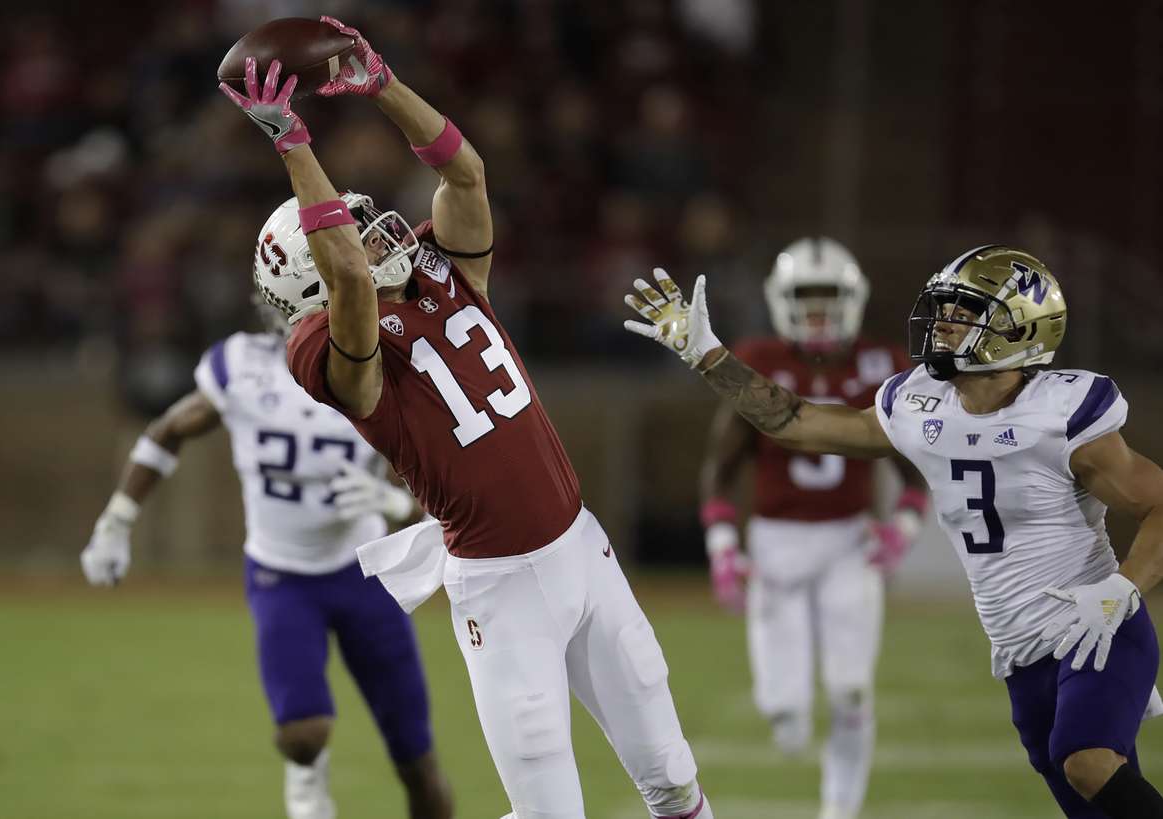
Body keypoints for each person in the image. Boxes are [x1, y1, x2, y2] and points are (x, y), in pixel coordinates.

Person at [217, 19, 713, 819]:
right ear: (314, 284)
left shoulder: (438, 268)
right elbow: (349, 281)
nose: (369, 224)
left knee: (675, 782)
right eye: (347, 224)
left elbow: (468, 174)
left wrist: (384, 86)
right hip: (502, 588)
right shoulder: (327, 349)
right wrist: (292, 141)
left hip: (581, 547)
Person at [624, 246, 1163, 819]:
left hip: (1095, 627)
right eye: (944, 309)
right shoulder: (920, 403)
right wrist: (708, 355)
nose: (943, 324)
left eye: (963, 313)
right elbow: (797, 422)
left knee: (1085, 762)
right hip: (1019, 650)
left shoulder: (1061, 413)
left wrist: (1121, 589)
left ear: (1018, 328)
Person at [79, 304, 452, 819]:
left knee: (415, 759)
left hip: (364, 572)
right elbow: (168, 430)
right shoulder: (242, 365)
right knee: (303, 735)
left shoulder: (382, 368)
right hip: (281, 574)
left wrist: (395, 503)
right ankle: (306, 767)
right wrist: (116, 521)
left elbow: (448, 493)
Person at [698, 238, 926, 819]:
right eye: (806, 298)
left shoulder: (880, 364)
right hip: (775, 543)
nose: (819, 312)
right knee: (786, 715)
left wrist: (904, 523)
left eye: (829, 299)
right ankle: (789, 715)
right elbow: (722, 464)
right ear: (781, 301)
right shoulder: (759, 358)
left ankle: (839, 811)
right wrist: (722, 546)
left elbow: (917, 461)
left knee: (851, 690)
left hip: (850, 540)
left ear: (854, 300)